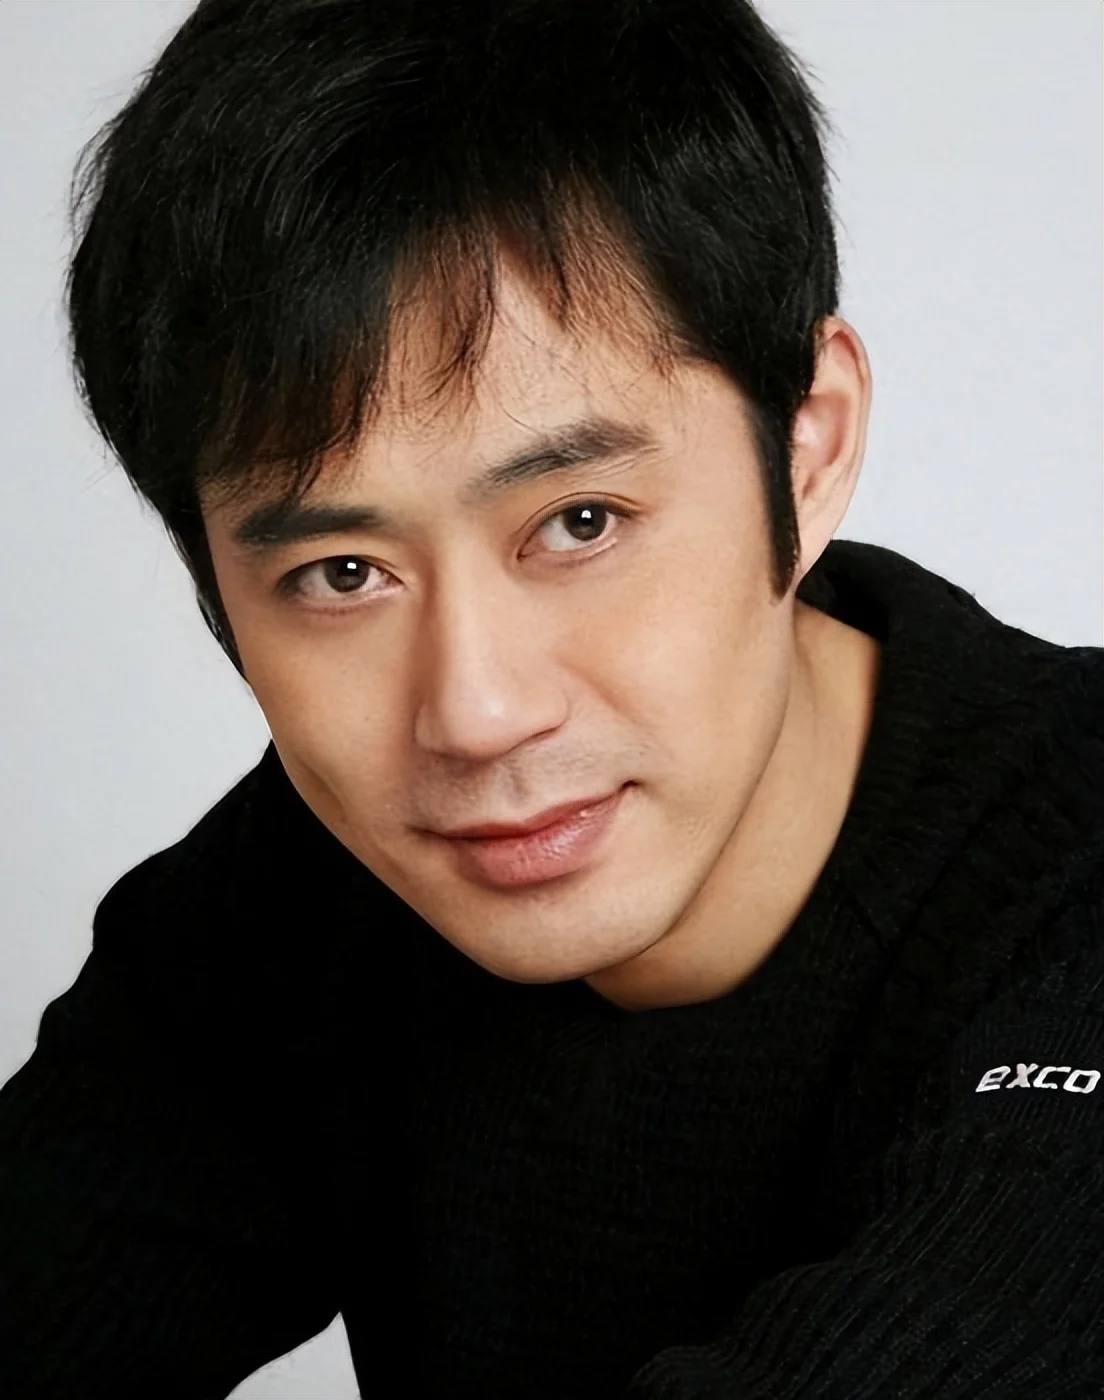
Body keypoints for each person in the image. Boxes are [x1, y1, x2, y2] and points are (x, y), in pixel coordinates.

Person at [1, 0, 1101, 1395]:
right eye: (343, 572)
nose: (476, 712)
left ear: (809, 448)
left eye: (581, 522)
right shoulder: (289, 913)